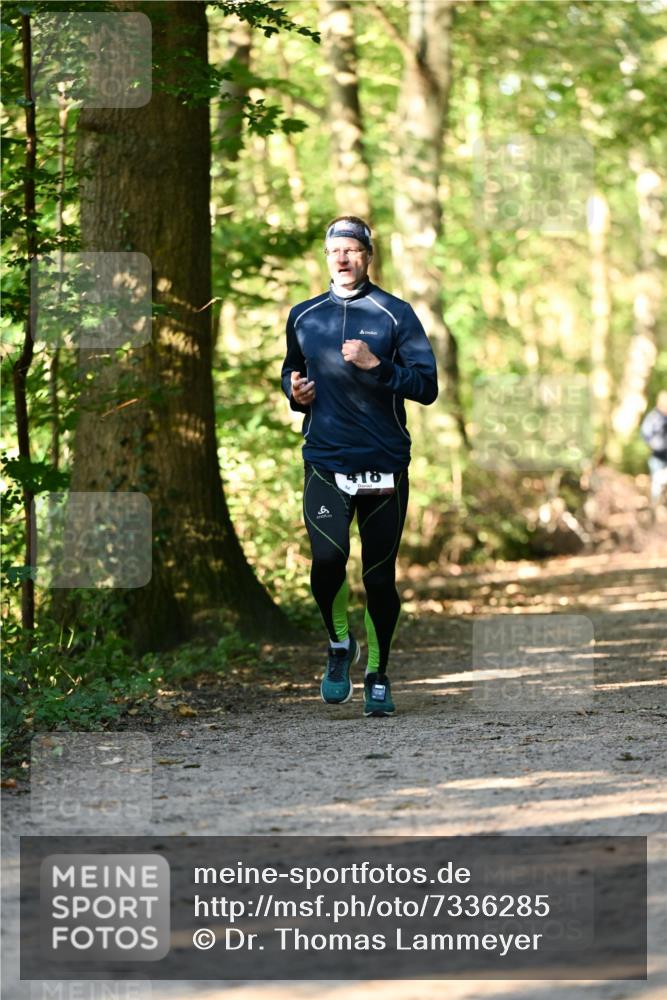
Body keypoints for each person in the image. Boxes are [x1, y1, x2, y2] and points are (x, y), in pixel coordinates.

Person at [281, 216, 438, 717]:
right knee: (328, 560)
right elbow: (291, 370)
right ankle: (338, 644)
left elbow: (427, 386)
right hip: (325, 461)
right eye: (335, 251)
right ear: (327, 258)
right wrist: (294, 392)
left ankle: (377, 674)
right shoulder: (304, 315)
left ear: (368, 256)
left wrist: (378, 365)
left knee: (379, 577)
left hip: (383, 462)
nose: (343, 258)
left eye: (352, 250)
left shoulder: (395, 314)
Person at [640, 390, 667, 509]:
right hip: (657, 456)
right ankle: (654, 507)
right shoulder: (653, 417)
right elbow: (645, 432)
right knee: (657, 482)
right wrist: (654, 444)